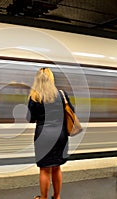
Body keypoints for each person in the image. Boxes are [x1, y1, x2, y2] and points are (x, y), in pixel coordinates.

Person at [27, 67, 74, 199]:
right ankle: (57, 196)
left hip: (43, 136)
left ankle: (43, 198)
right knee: (57, 167)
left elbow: (30, 119)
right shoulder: (61, 94)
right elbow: (71, 111)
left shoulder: (35, 97)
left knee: (44, 169)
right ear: (51, 78)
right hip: (60, 135)